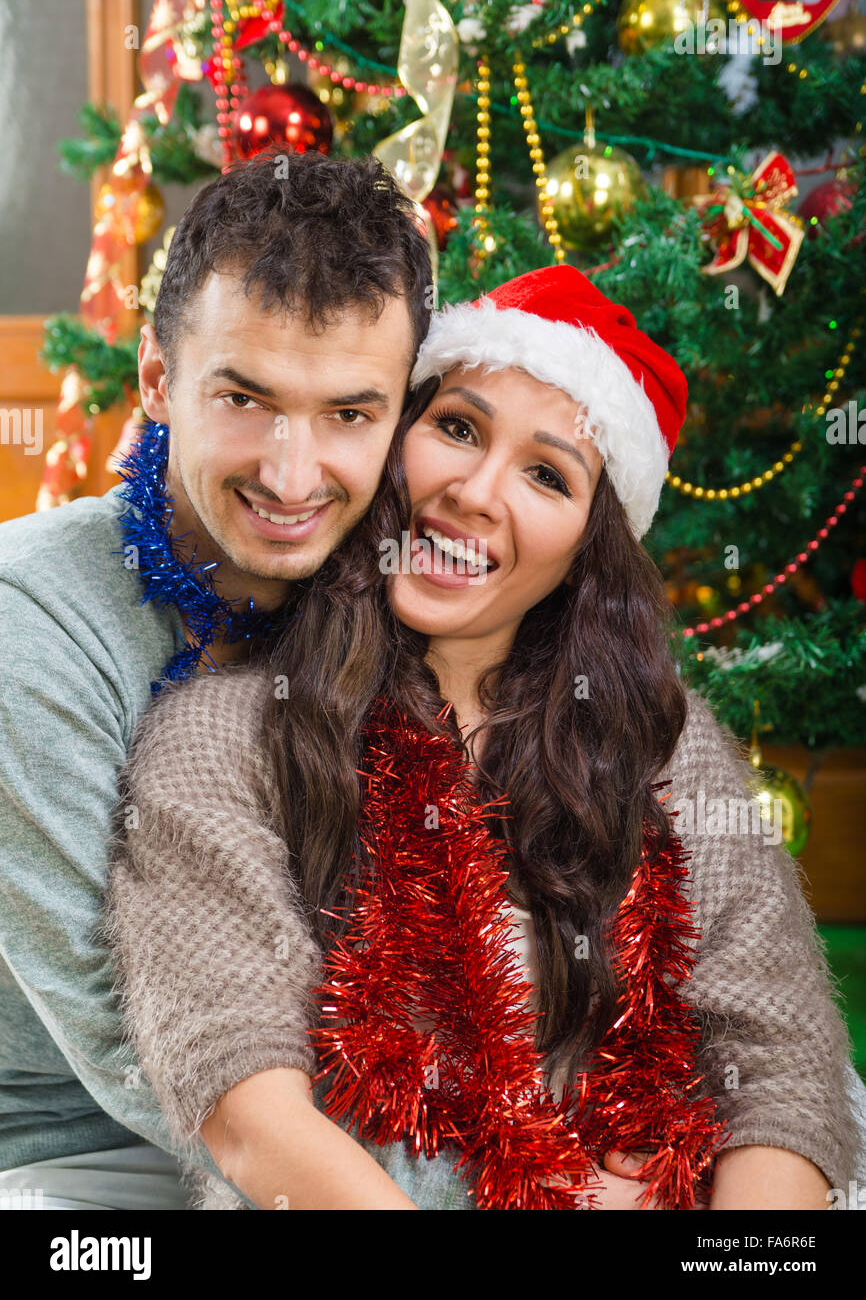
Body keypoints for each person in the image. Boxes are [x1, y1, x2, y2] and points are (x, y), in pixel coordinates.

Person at [105, 265, 866, 1210]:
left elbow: (783, 1064)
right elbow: (245, 1109)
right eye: (456, 428)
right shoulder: (226, 737)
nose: (475, 490)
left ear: (591, 540)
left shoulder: (661, 742)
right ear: (394, 443)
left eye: (548, 475)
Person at [0, 147, 433, 1209]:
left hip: (355, 1117)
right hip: (74, 1145)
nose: (292, 475)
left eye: (348, 413)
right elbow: (138, 1033)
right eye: (245, 397)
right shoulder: (29, 622)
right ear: (157, 378)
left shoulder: (421, 587)